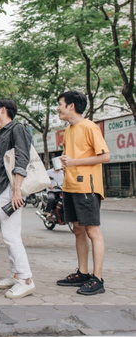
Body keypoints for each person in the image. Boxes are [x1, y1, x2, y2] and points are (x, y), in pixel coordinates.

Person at [55, 91, 110, 296]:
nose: (58, 108)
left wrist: (75, 162)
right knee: (78, 230)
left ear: (71, 106)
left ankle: (98, 279)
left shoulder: (89, 126)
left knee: (92, 232)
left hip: (87, 187)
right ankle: (83, 273)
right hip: (70, 187)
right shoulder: (69, 130)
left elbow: (105, 156)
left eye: (60, 104)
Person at [0, 98, 36, 299]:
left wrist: (17, 190)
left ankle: (26, 279)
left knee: (11, 236)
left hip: (10, 189)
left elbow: (22, 158)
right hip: (1, 190)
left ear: (4, 110)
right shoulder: (2, 132)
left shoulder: (17, 129)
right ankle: (16, 274)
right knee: (7, 235)